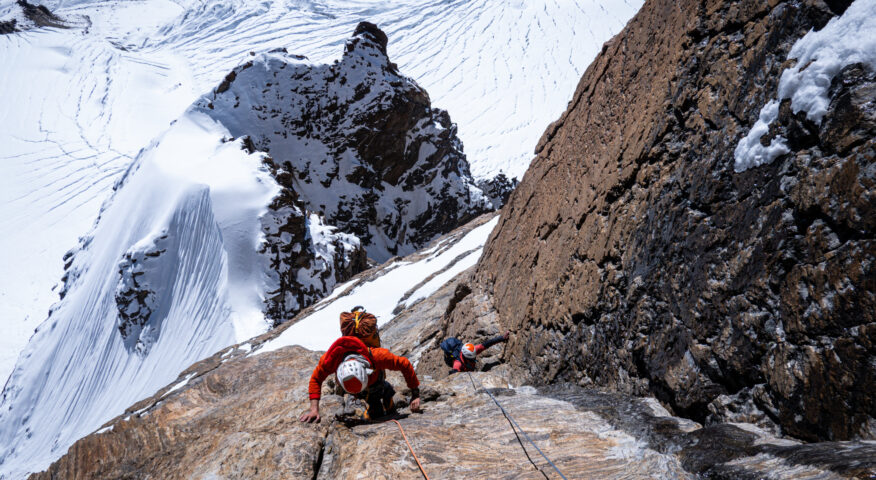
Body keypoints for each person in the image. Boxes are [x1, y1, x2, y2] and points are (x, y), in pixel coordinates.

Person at [299, 336, 421, 423]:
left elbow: (404, 364)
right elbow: (316, 379)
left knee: (376, 407)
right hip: (361, 381)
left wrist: (415, 394)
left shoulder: (377, 356)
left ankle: (386, 394)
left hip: (374, 381)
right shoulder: (330, 361)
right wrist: (314, 409)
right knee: (372, 408)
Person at [441, 331, 510, 374]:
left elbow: (487, 344)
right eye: (471, 358)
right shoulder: (457, 364)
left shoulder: (472, 350)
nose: (473, 358)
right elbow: (454, 375)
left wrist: (502, 338)